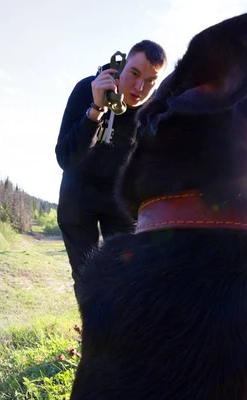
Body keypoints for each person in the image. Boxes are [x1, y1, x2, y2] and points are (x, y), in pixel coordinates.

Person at [55, 40, 167, 299]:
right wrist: (95, 111)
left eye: (151, 81)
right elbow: (65, 158)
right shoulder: (87, 89)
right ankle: (93, 337)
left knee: (128, 277)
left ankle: (124, 337)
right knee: (86, 277)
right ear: (121, 66)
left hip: (119, 198)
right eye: (135, 74)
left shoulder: (150, 112)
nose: (140, 88)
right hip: (77, 193)